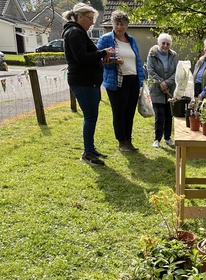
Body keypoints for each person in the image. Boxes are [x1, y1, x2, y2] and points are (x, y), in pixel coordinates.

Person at [62, 2, 115, 166]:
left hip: (89, 82)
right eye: (90, 19)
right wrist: (102, 53)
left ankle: (90, 148)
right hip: (83, 82)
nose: (92, 23)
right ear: (80, 16)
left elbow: (88, 55)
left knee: (92, 117)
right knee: (90, 117)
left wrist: (102, 56)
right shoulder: (75, 33)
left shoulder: (79, 32)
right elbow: (82, 58)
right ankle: (87, 153)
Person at [97, 11, 145, 153]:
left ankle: (129, 140)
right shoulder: (106, 39)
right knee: (119, 112)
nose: (119, 27)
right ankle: (121, 142)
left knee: (130, 112)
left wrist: (140, 79)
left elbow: (137, 60)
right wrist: (114, 61)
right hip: (117, 81)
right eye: (117, 24)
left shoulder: (132, 40)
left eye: (122, 24)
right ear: (113, 24)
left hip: (133, 80)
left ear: (127, 26)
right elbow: (99, 59)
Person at [147, 33, 178, 148]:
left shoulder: (173, 55)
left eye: (168, 44)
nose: (165, 46)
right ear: (158, 43)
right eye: (163, 43)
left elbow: (177, 72)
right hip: (156, 89)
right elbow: (150, 71)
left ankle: (168, 137)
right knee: (159, 115)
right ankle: (157, 139)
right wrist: (161, 82)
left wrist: (168, 83)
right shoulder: (152, 55)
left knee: (169, 114)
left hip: (170, 89)